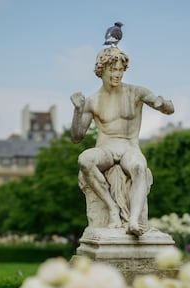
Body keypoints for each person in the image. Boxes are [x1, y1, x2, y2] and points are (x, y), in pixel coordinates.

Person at [70, 47, 174, 237]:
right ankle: (112, 208)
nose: (117, 74)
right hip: (106, 148)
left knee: (139, 168)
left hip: (129, 146)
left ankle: (134, 221)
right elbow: (77, 137)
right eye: (113, 70)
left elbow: (165, 106)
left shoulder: (135, 92)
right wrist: (77, 111)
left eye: (120, 70)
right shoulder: (93, 101)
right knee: (85, 159)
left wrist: (164, 104)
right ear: (101, 70)